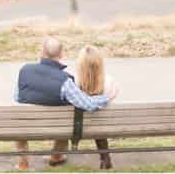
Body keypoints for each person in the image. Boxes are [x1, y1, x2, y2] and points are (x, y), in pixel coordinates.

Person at [13, 36, 118, 170]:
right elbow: (88, 104)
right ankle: (56, 157)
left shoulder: (24, 70)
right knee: (66, 117)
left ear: (41, 53)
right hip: (56, 126)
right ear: (62, 54)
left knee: (20, 118)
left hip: (26, 125)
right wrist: (107, 98)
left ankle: (23, 164)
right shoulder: (65, 80)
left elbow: (17, 98)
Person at [76, 45, 116, 169]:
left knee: (90, 118)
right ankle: (105, 158)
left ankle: (56, 156)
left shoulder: (73, 83)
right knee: (98, 119)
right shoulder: (109, 82)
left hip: (76, 129)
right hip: (103, 126)